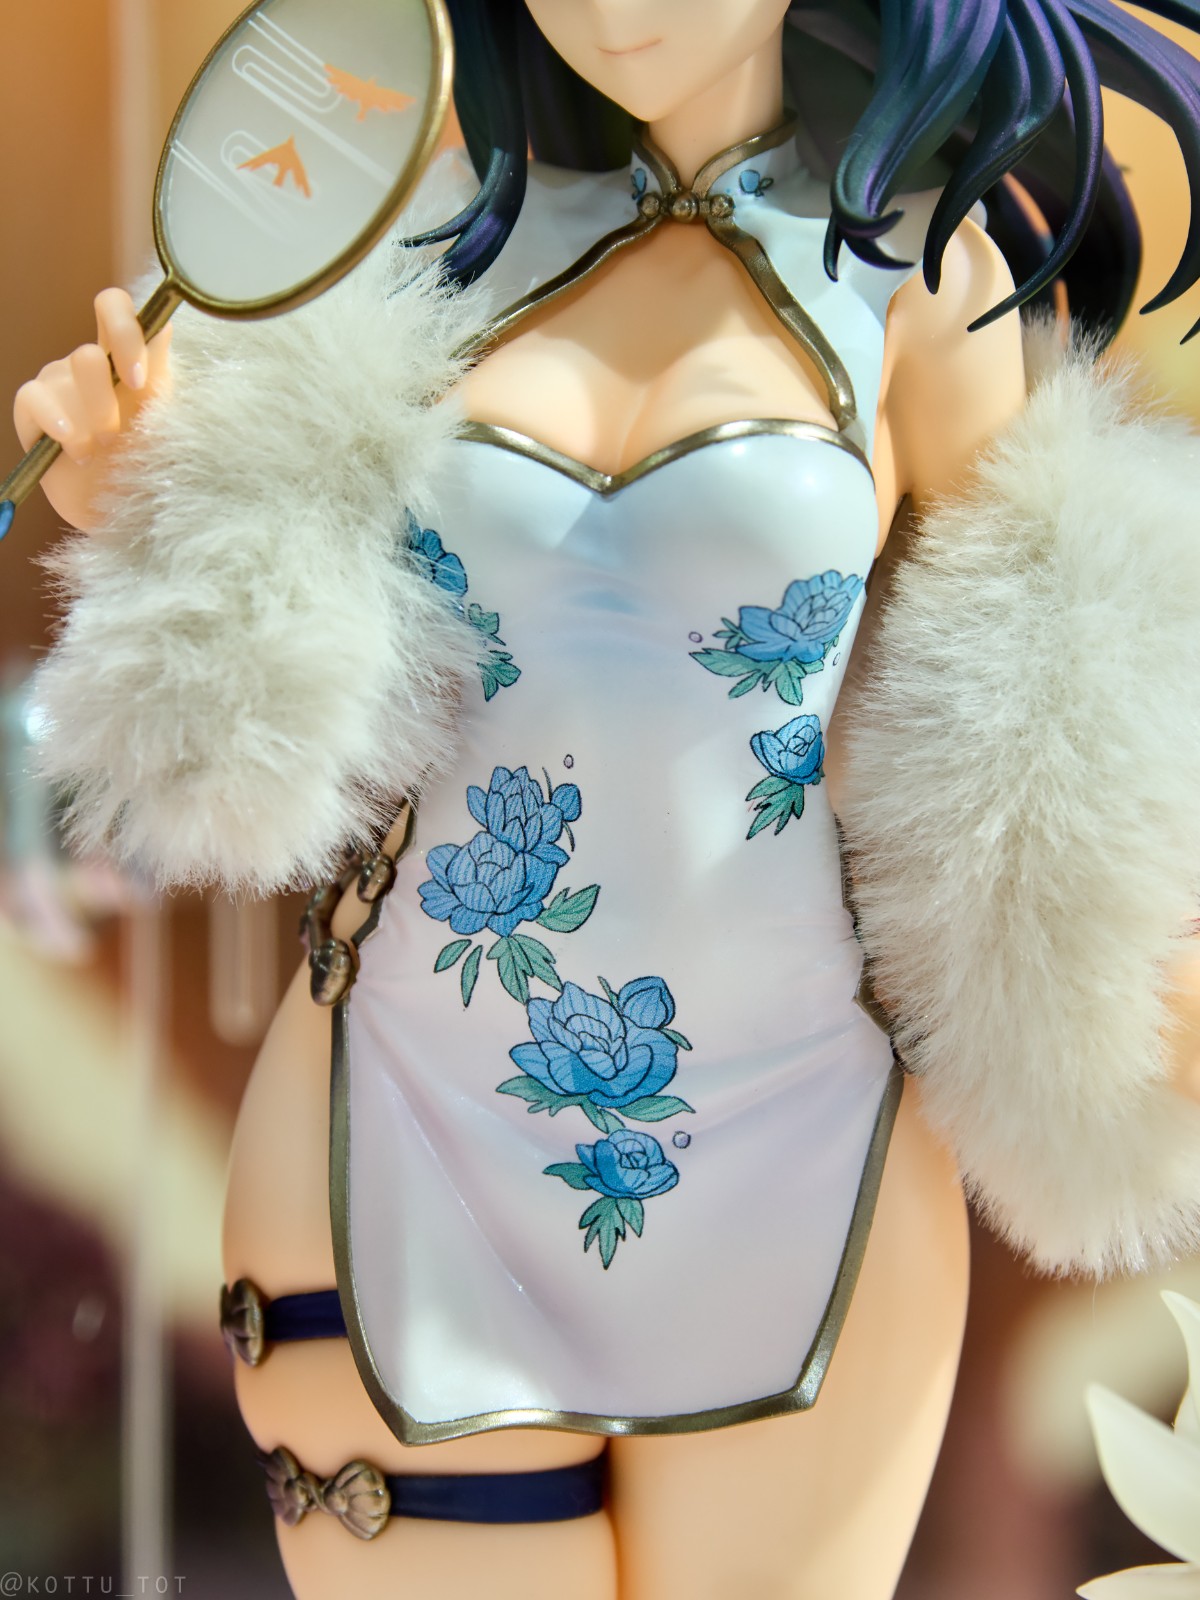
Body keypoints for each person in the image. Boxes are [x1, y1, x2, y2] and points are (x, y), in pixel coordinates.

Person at [13, 2, 1200, 1596]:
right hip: (397, 1121)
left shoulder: (923, 284)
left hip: (808, 1158)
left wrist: (1131, 973)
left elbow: (1043, 726)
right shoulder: (407, 248)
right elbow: (233, 741)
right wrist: (147, 509)